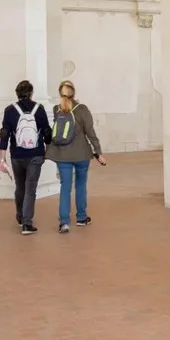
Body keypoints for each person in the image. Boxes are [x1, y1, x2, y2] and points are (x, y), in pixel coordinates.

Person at [45, 80, 106, 233]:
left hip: (62, 154)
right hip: (81, 155)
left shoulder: (56, 109)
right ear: (74, 92)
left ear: (60, 93)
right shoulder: (82, 109)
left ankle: (64, 222)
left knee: (65, 187)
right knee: (80, 185)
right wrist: (98, 152)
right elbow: (90, 133)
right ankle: (81, 218)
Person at [0, 80, 51, 235]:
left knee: (20, 187)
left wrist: (2, 158)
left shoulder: (9, 110)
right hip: (36, 154)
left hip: (16, 154)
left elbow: (4, 135)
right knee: (30, 188)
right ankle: (27, 224)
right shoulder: (39, 109)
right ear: (31, 93)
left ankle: (21, 216)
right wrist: (47, 150)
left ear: (17, 93)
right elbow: (47, 132)